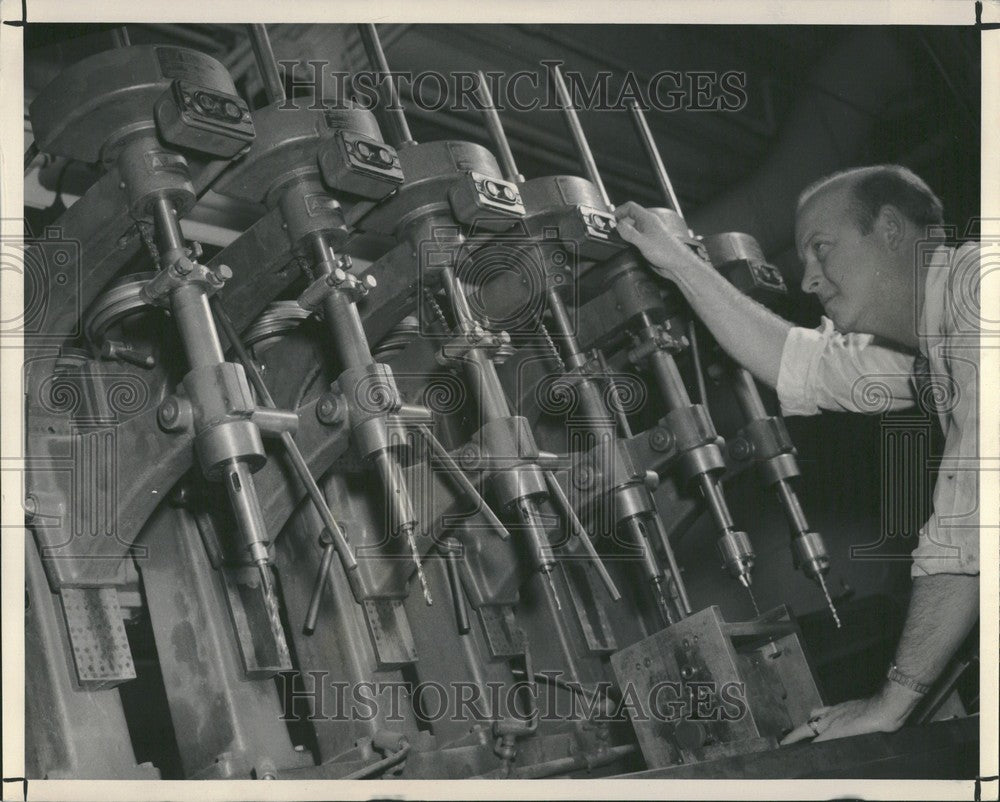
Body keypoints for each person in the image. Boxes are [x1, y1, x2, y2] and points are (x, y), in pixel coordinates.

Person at [614, 165, 980, 743]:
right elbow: (806, 366)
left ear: (889, 228)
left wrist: (889, 706)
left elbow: (971, 528)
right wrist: (680, 264)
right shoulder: (935, 338)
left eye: (821, 249)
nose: (808, 280)